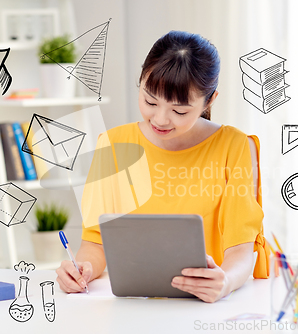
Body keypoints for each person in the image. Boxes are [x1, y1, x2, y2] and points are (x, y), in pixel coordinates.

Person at [56, 30, 269, 303]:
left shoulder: (235, 146)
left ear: (210, 100)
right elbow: (96, 242)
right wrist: (82, 270)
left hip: (206, 308)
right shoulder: (113, 144)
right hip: (137, 307)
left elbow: (241, 251)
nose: (160, 119)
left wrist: (224, 281)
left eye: (179, 111)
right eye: (149, 101)